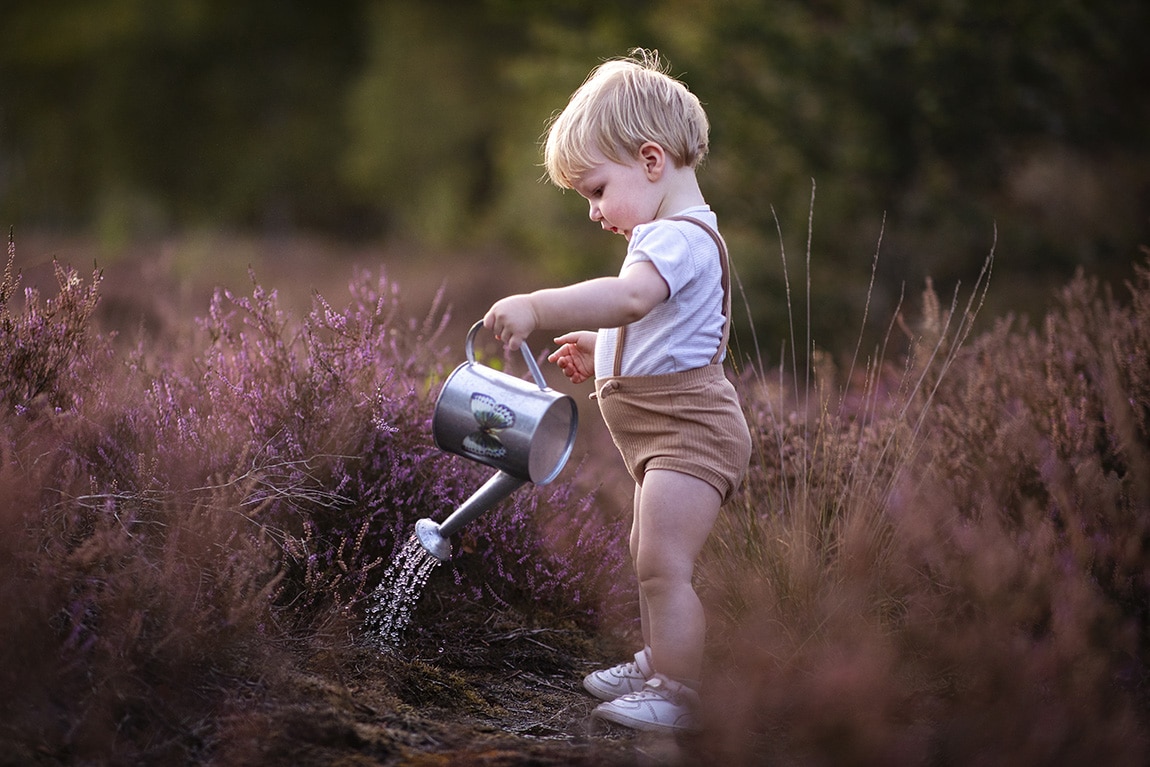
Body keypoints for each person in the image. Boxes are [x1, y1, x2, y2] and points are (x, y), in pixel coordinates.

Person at [483, 49, 752, 734]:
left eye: (598, 191)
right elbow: (664, 332)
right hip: (666, 432)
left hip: (690, 433)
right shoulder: (673, 237)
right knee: (650, 555)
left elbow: (629, 299)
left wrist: (540, 308)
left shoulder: (674, 240)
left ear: (652, 160)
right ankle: (661, 657)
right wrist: (601, 349)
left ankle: (678, 688)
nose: (596, 213)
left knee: (664, 563)